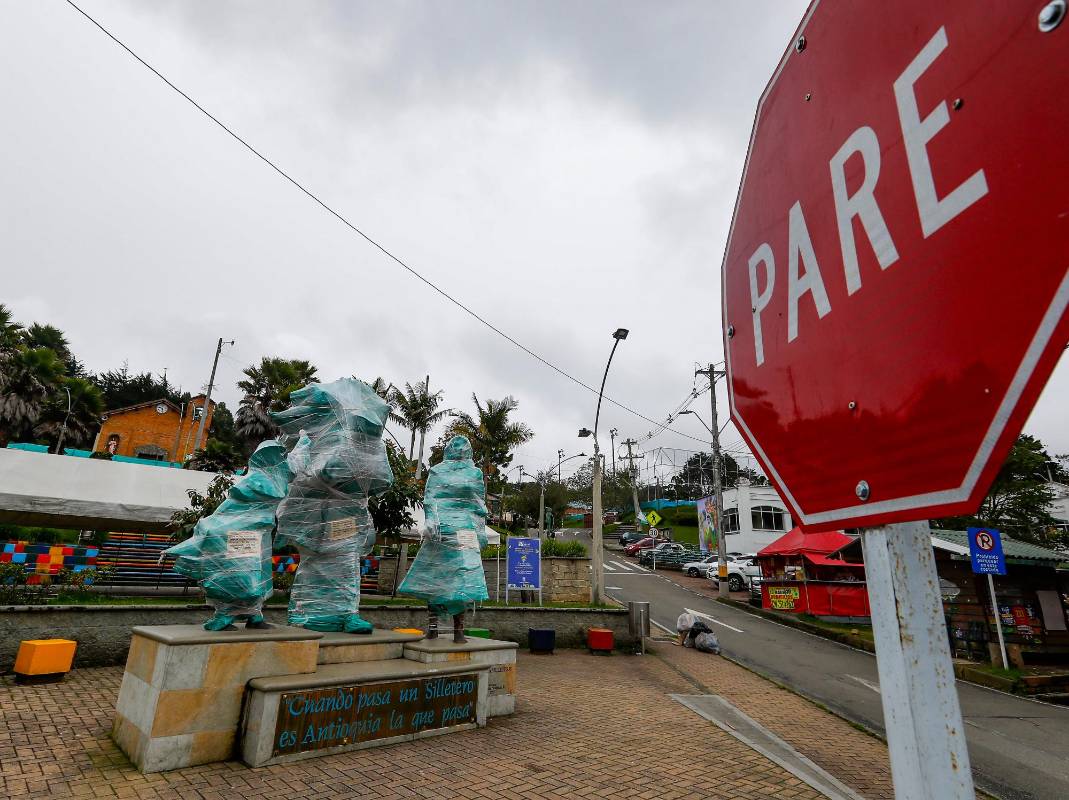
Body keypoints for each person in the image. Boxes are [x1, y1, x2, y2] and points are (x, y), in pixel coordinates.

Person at [398, 435, 489, 643]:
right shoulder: (437, 471)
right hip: (441, 530)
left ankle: (459, 629)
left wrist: (480, 530)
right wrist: (430, 520)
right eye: (455, 446)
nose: (459, 448)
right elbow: (430, 498)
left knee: (463, 578)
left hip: (465, 530)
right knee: (435, 577)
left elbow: (478, 504)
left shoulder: (475, 473)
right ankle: (433, 627)